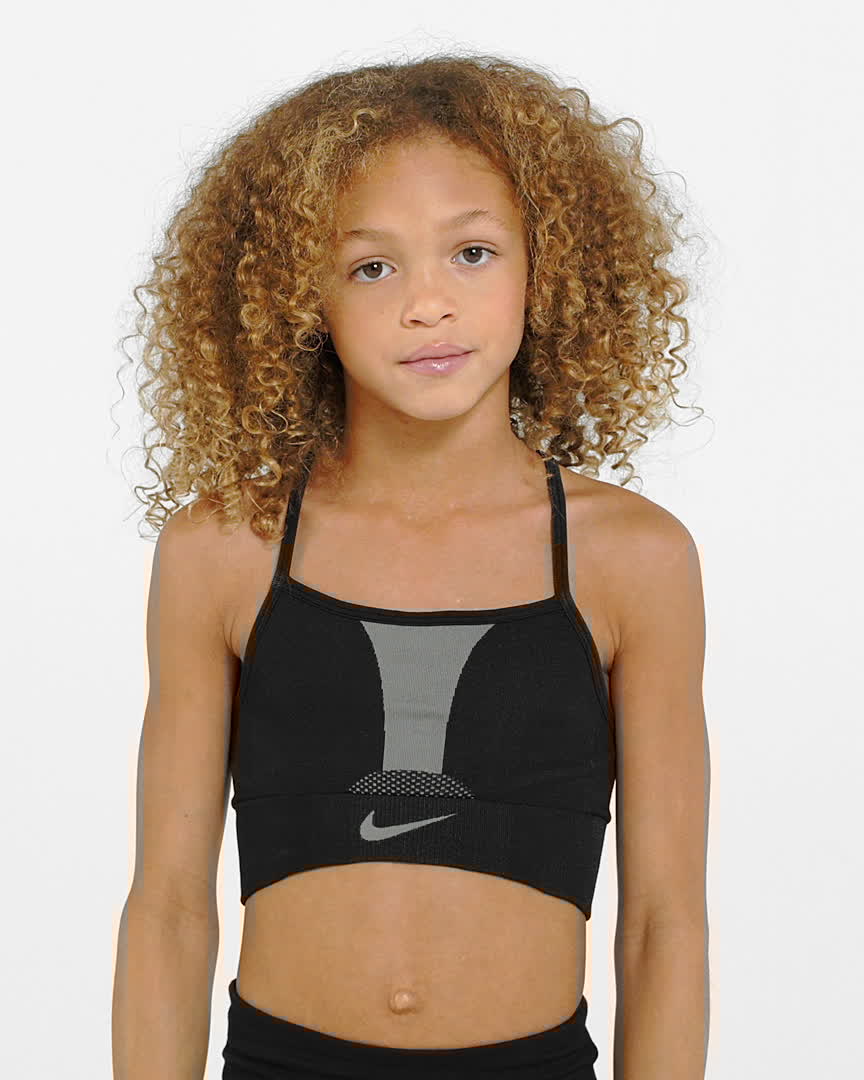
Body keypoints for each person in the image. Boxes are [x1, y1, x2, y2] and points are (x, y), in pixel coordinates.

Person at [111, 52, 710, 1080]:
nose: (427, 305)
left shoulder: (632, 560)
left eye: (472, 253)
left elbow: (664, 924)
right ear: (300, 298)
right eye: (372, 267)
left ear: (545, 267)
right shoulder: (225, 547)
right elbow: (167, 908)